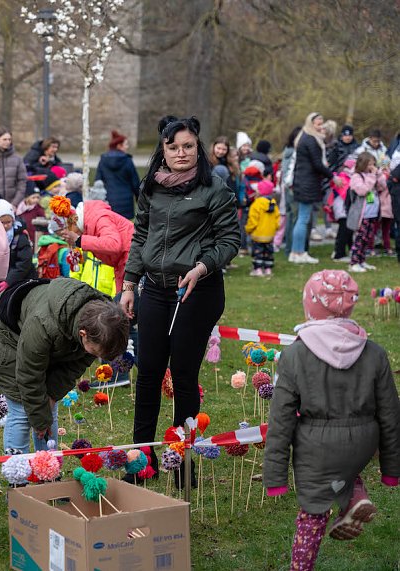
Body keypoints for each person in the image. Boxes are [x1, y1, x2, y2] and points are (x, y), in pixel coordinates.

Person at [120, 115, 239, 486]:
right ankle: (142, 461)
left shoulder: (213, 188)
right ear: (163, 150)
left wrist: (203, 267)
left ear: (197, 148)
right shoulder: (151, 187)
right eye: (173, 147)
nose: (181, 153)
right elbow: (140, 237)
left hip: (197, 292)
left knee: (184, 376)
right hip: (155, 289)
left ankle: (182, 463)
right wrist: (129, 283)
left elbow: (229, 240)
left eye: (188, 146)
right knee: (148, 373)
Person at [264, 270, 399, 571]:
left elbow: (281, 418)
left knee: (312, 516)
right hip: (363, 443)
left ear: (310, 305)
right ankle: (354, 495)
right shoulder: (374, 353)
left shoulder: (295, 355)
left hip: (317, 448)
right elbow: (390, 413)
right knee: (344, 463)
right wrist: (391, 469)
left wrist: (275, 477)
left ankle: (301, 566)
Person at [0, 279, 130, 453]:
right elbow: (29, 375)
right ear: (83, 334)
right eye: (95, 353)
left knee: (49, 410)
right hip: (6, 336)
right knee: (22, 411)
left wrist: (51, 397)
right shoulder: (44, 325)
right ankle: (17, 473)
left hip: (44, 340)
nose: (95, 358)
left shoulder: (103, 328)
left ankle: (49, 471)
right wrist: (39, 420)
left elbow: (72, 368)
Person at [56, 184, 134, 294]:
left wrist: (79, 240)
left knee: (130, 304)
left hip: (134, 266)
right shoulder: (89, 226)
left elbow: (114, 244)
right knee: (123, 304)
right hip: (126, 269)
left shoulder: (99, 218)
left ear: (73, 223)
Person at [289, 113, 337, 264]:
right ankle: (298, 252)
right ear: (311, 124)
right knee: (303, 219)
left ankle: (295, 252)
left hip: (303, 181)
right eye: (318, 123)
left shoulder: (305, 137)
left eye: (322, 123)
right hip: (307, 183)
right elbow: (317, 164)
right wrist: (333, 177)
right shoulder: (310, 139)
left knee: (302, 218)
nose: (321, 126)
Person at [346, 152, 386, 273]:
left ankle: (362, 261)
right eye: (369, 164)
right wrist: (372, 177)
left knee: (367, 239)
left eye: (373, 164)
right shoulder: (356, 177)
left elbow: (382, 186)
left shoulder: (372, 175)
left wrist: (378, 174)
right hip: (361, 215)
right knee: (360, 239)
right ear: (363, 164)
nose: (371, 166)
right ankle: (353, 262)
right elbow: (363, 190)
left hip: (372, 214)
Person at [95, 130, 141, 219]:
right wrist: (139, 198)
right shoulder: (127, 160)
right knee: (125, 229)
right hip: (126, 202)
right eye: (126, 144)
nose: (127, 147)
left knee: (110, 228)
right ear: (119, 146)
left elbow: (98, 181)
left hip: (108, 200)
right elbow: (135, 182)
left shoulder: (103, 160)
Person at [0, 199, 34, 289]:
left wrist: (9, 281)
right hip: (0, 280)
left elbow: (24, 262)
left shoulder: (20, 237)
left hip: (20, 281)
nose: (6, 226)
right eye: (2, 222)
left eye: (8, 222)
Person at [245, 180, 281, 276]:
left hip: (258, 235)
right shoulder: (274, 204)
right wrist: (275, 228)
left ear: (260, 191)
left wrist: (248, 229)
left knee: (258, 253)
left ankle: (258, 269)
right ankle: (268, 269)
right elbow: (278, 219)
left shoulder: (256, 204)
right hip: (270, 235)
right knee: (268, 253)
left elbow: (253, 220)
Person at [279, 126, 302, 254]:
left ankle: (289, 248)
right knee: (294, 218)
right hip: (292, 188)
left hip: (287, 188)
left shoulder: (287, 151)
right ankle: (292, 248)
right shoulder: (293, 152)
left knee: (290, 217)